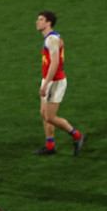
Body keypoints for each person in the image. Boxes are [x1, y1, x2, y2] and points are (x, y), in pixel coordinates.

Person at [34, 11, 86, 156]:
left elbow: (55, 63)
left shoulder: (51, 40)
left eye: (41, 20)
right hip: (48, 79)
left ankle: (77, 136)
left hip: (55, 81)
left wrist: (45, 85)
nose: (37, 22)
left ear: (48, 22)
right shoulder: (51, 37)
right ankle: (50, 146)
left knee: (50, 116)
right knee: (44, 113)